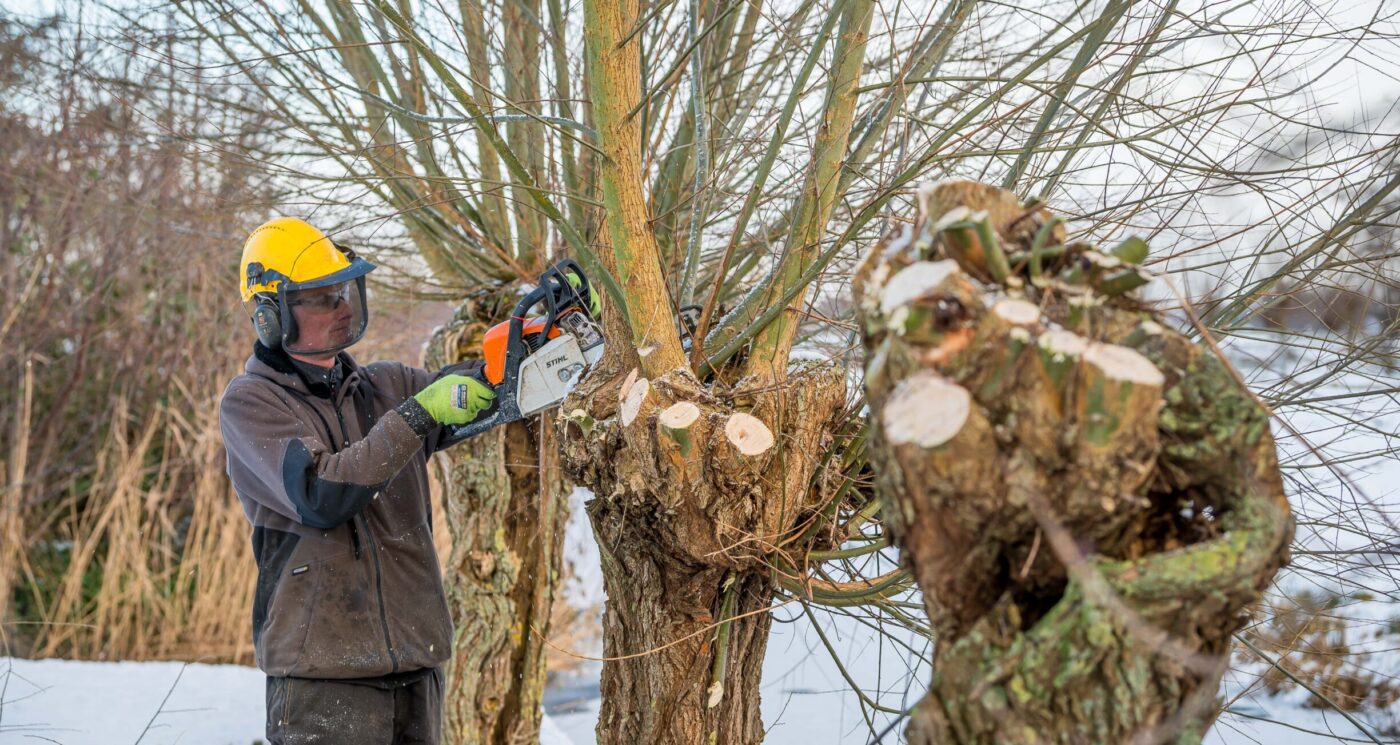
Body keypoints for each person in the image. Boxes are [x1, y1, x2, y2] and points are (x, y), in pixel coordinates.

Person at [219, 217, 497, 744]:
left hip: (415, 664)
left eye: (344, 291)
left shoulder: (386, 386)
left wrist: (540, 341)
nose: (343, 307)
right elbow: (322, 493)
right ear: (270, 315)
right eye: (322, 298)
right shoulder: (251, 404)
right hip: (323, 677)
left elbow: (485, 386)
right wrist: (417, 417)